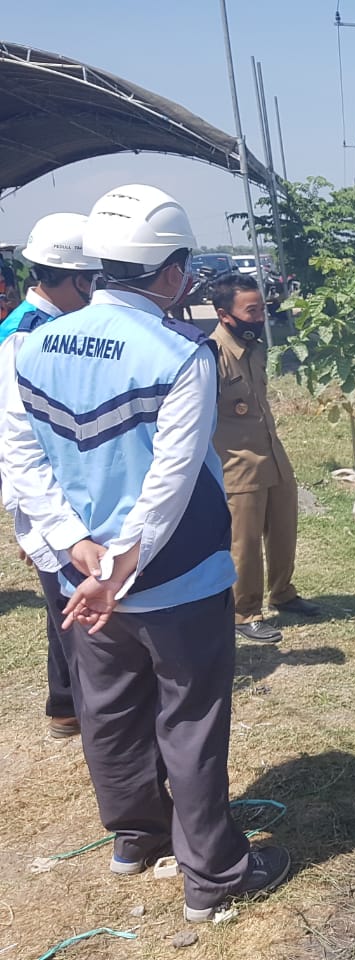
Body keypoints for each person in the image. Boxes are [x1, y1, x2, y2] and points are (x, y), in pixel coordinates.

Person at [1, 184, 289, 921]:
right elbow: (169, 478)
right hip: (175, 576)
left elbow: (21, 460)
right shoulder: (177, 353)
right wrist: (125, 560)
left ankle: (135, 838)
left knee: (110, 710)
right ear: (168, 273)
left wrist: (78, 552)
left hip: (81, 576)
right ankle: (213, 878)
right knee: (189, 718)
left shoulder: (29, 345)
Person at [0, 213, 101, 739]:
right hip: (50, 500)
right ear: (77, 279)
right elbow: (15, 438)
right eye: (93, 280)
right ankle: (85, 710)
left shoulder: (44, 326)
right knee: (78, 611)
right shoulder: (25, 336)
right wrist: (32, 518)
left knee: (63, 603)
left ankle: (65, 704)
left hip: (55, 497)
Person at [209, 272, 320, 643]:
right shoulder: (210, 357)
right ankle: (245, 611)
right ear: (226, 315)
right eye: (251, 310)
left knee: (284, 531)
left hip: (272, 456)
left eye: (260, 308)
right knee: (245, 543)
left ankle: (283, 592)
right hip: (237, 466)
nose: (259, 317)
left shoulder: (255, 350)